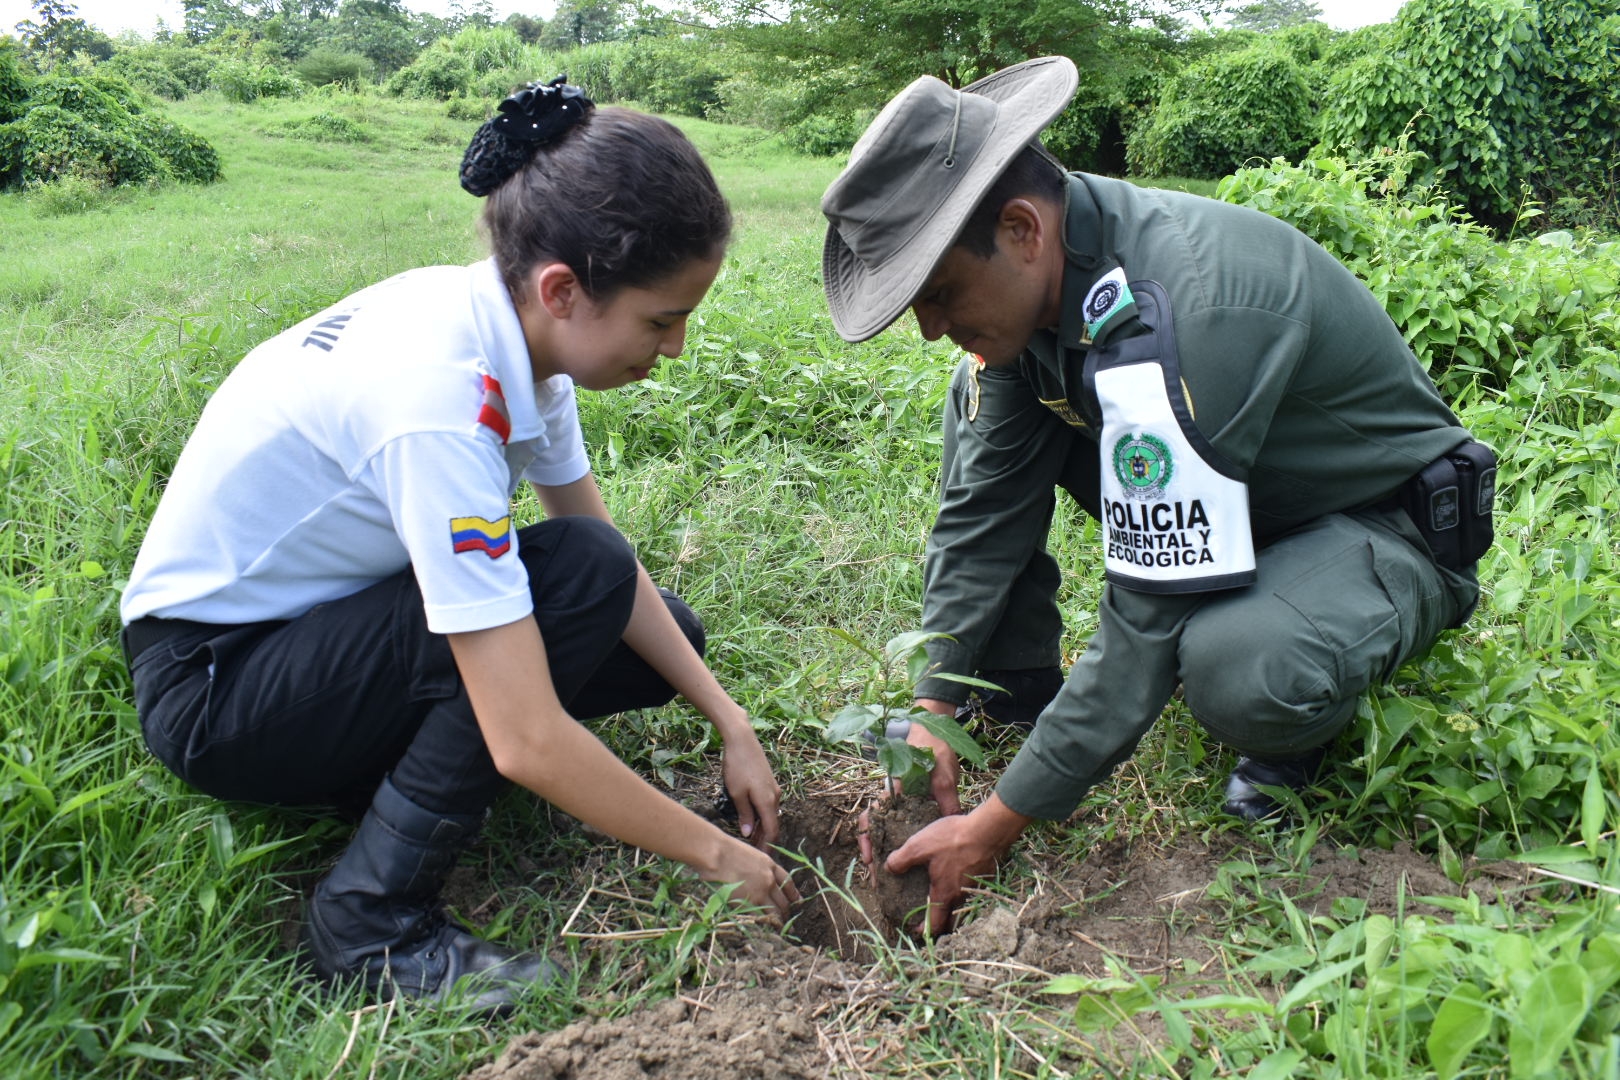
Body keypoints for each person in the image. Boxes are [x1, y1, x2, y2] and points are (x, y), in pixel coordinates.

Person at [120, 77, 798, 1013]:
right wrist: (717, 854)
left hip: (304, 636)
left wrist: (731, 721)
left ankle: (388, 771)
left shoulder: (512, 334)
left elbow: (595, 542)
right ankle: (367, 920)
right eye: (661, 318)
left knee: (635, 621)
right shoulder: (439, 399)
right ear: (564, 289)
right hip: (215, 684)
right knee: (572, 604)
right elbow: (523, 737)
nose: (675, 347)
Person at [820, 58, 1491, 934]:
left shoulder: (1176, 314)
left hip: (1379, 525)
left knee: (1230, 661)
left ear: (1022, 229)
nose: (931, 325)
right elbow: (982, 515)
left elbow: (1145, 621)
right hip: (1247, 506)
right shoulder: (1053, 285)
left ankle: (1294, 732)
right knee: (975, 393)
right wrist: (934, 706)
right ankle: (1014, 687)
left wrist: (994, 826)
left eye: (939, 292)